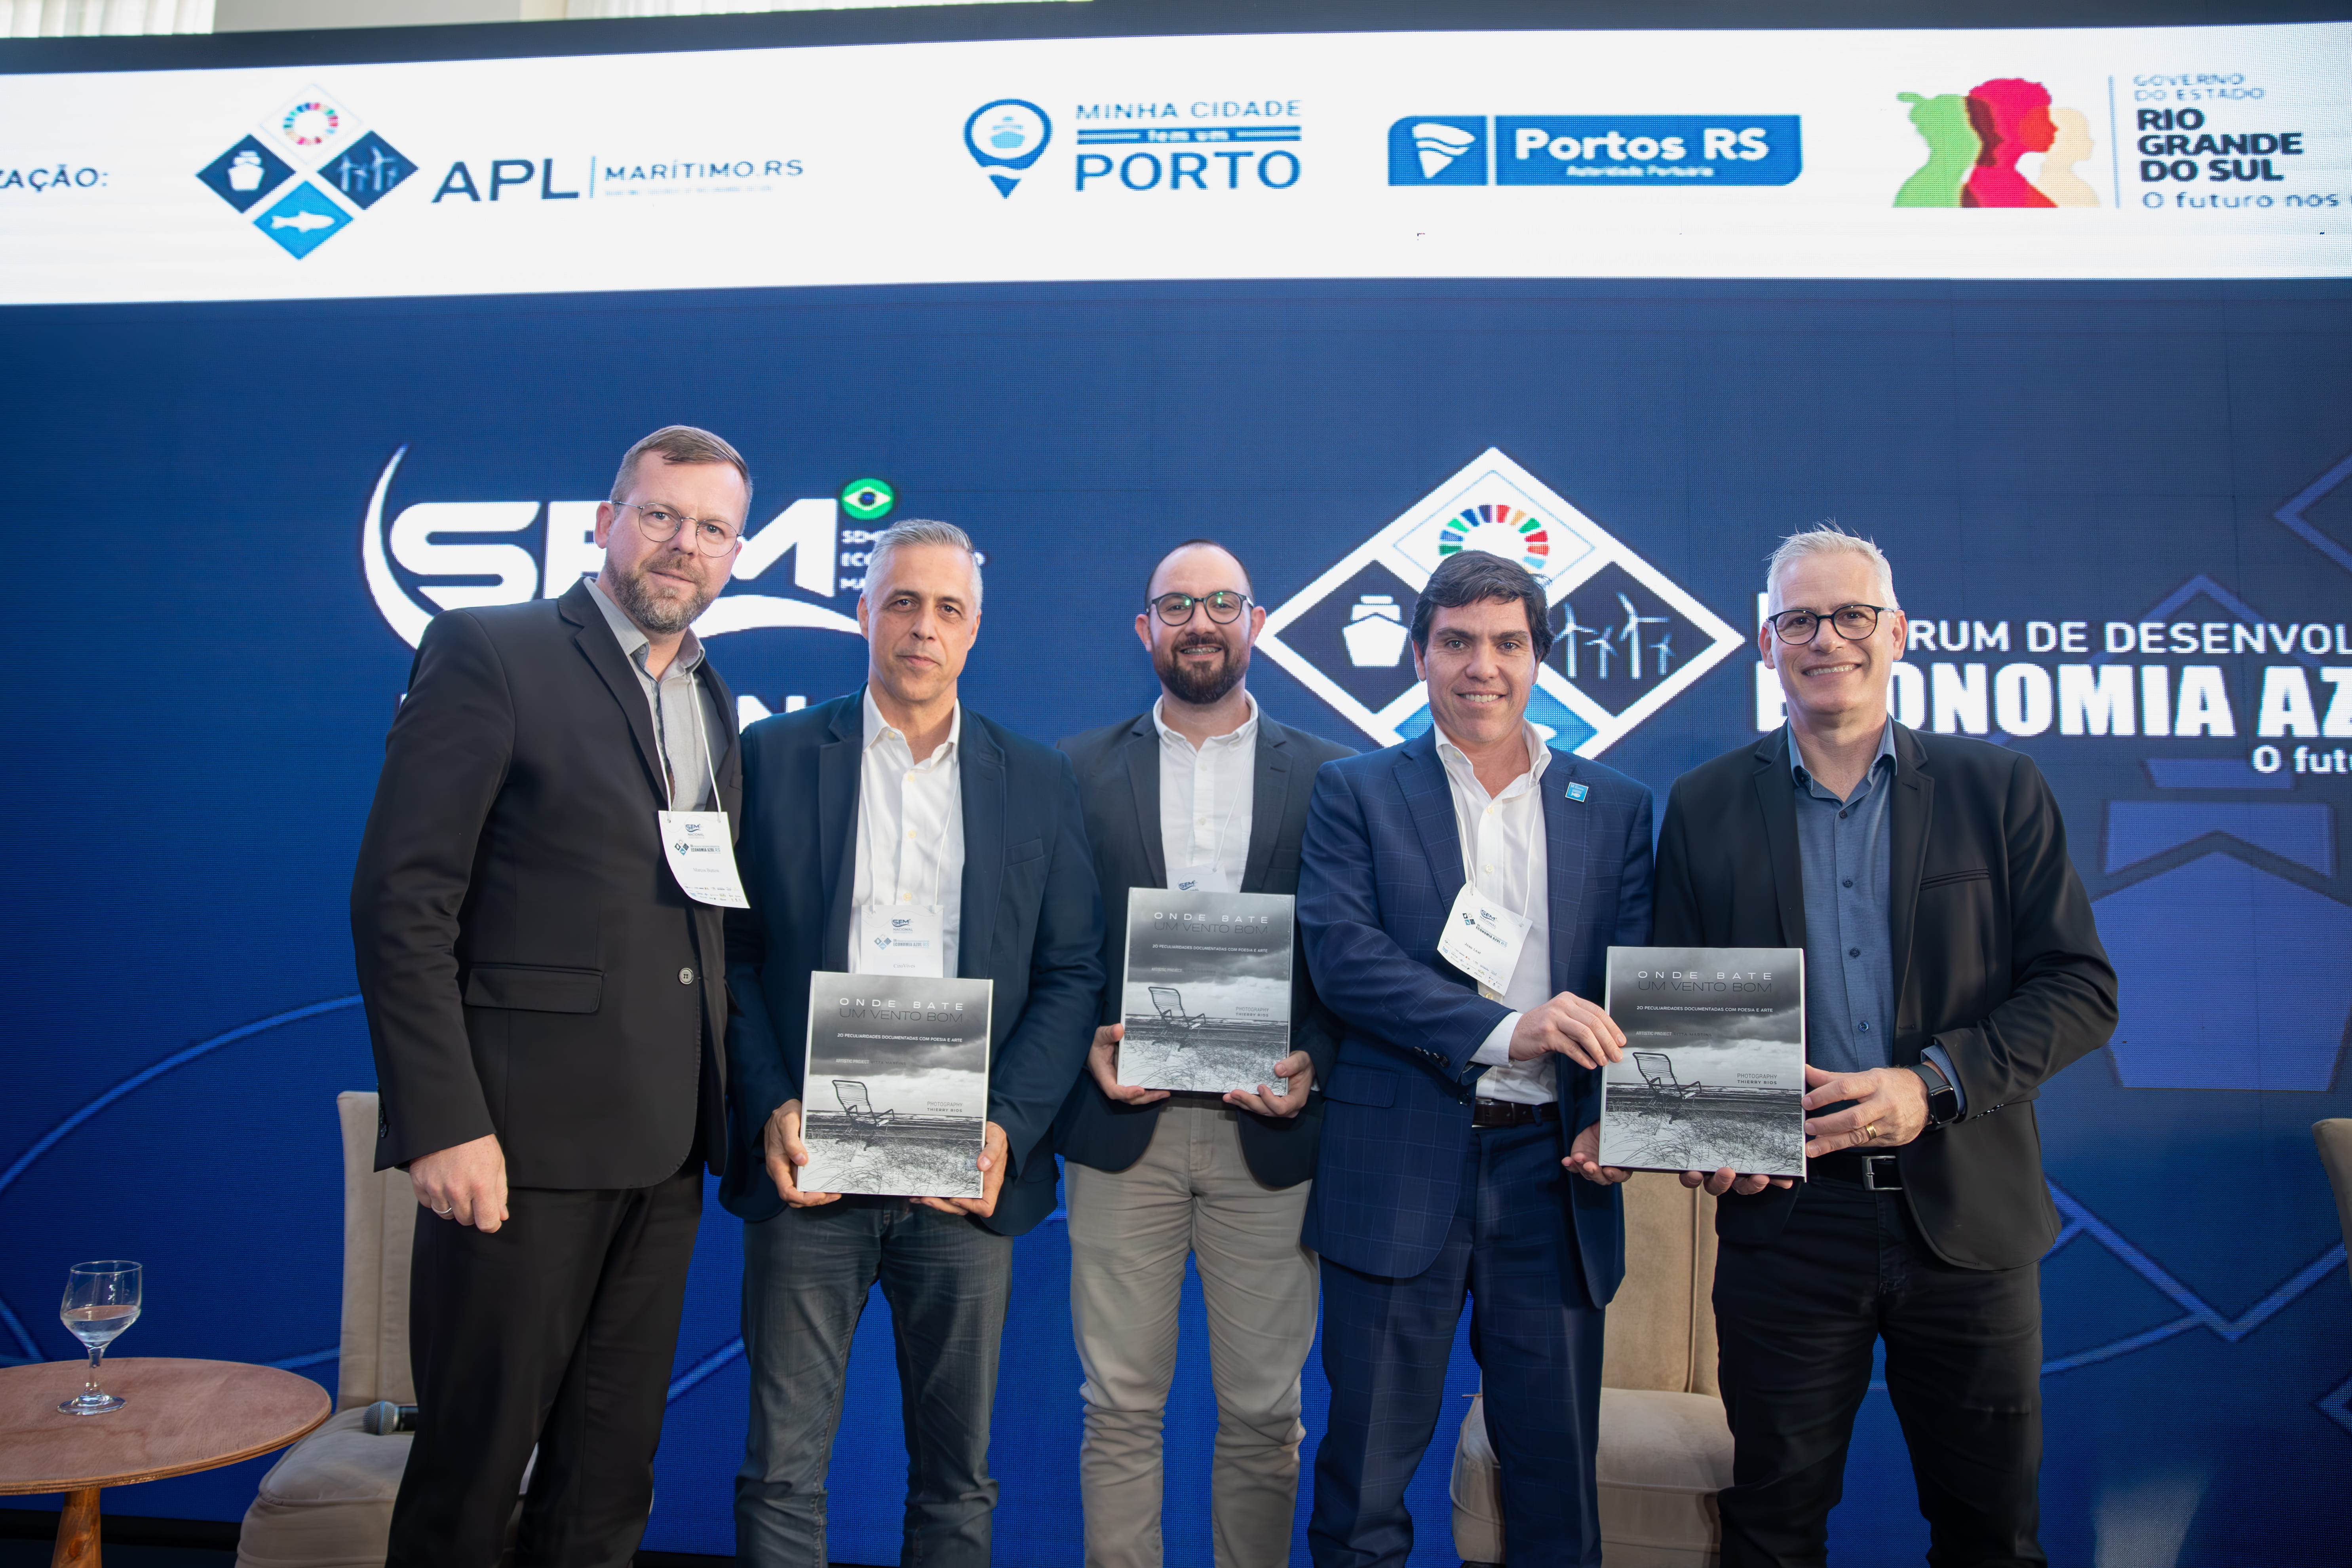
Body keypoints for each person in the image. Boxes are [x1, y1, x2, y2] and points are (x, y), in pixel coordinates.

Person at [1650, 524, 2116, 1567]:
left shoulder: (1997, 788)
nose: (1826, 639)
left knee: (1991, 1537)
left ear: (1896, 632)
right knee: (1768, 1533)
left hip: (1967, 1217)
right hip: (1785, 1224)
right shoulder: (1704, 805)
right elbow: (1679, 1013)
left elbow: (2079, 989)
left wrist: (1930, 1084)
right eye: (1798, 620)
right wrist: (1701, 1130)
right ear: (1765, 645)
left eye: (1851, 615)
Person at [352, 424, 752, 1567]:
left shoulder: (710, 695)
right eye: (661, 515)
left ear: (735, 553)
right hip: (514, 1152)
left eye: (712, 529)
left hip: (665, 1152)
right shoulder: (492, 649)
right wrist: (443, 1121)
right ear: (607, 522)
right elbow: (401, 900)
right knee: (470, 1485)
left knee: (605, 1487)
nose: (683, 545)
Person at [721, 518, 1105, 1568]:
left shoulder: (1035, 777)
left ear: (974, 630)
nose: (922, 627)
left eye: (946, 608)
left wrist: (1006, 1126)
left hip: (962, 1172)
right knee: (781, 1471)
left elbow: (1072, 971)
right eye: (901, 602)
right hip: (810, 1161)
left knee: (955, 1479)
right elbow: (732, 955)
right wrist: (771, 1102)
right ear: (862, 614)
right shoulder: (773, 756)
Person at [1295, 549, 1654, 1568]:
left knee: (1553, 1484)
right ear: (1418, 655)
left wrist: (1618, 1115)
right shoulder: (1354, 791)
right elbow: (1344, 959)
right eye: (1455, 642)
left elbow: (1635, 982)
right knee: (1363, 1484)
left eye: (1506, 643)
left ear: (1538, 658)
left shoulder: (1616, 805)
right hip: (1397, 1162)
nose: (1481, 666)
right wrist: (1509, 1028)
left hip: (1555, 1171)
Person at [1055, 539, 1356, 1568]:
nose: (1199, 622)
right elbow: (1053, 943)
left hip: (1268, 1136)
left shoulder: (1331, 776)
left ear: (1256, 622)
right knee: (1117, 1407)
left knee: (1265, 1413)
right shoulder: (1074, 769)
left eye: (1222, 602)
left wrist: (1316, 1057)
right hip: (1121, 1131)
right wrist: (1083, 1044)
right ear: (1145, 628)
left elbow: (1353, 954)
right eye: (1176, 605)